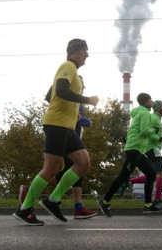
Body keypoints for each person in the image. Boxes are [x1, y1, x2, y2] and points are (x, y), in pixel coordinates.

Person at [12, 38, 99, 226]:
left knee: (83, 163)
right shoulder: (67, 65)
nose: (87, 55)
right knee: (51, 168)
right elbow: (60, 90)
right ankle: (25, 208)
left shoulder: (72, 71)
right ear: (76, 50)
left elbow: (49, 95)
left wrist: (71, 112)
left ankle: (52, 200)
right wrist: (87, 100)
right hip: (57, 124)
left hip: (66, 126)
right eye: (86, 51)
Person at [98, 92, 160, 217]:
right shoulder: (144, 113)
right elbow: (143, 131)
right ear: (145, 102)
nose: (152, 102)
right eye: (150, 100)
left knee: (151, 174)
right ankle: (105, 201)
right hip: (134, 149)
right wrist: (154, 130)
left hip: (138, 149)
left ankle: (148, 204)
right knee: (122, 177)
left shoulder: (139, 112)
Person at [127, 99, 162, 209]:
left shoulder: (157, 119)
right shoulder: (154, 118)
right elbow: (147, 132)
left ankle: (129, 182)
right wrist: (160, 138)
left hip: (151, 148)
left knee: (153, 175)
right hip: (152, 148)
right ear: (158, 107)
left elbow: (154, 132)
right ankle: (158, 200)